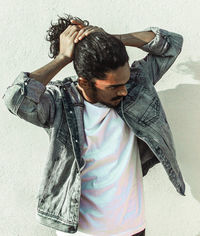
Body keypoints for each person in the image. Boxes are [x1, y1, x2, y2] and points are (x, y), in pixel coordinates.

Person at [2, 14, 186, 236]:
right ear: (84, 83)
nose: (124, 90)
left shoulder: (137, 85)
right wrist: (62, 57)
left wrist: (114, 38)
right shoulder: (60, 103)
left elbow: (172, 44)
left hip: (132, 229)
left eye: (125, 82)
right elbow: (16, 100)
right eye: (114, 86)